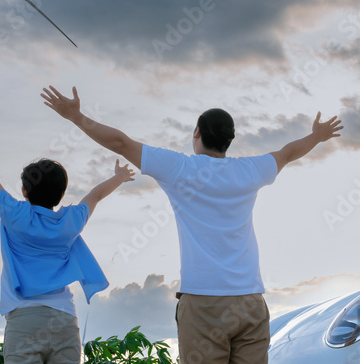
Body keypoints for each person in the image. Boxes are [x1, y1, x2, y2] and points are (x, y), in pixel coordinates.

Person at [40, 85, 343, 364]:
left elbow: (121, 143)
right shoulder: (251, 170)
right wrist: (317, 136)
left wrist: (77, 117)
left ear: (197, 132)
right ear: (229, 140)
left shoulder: (181, 169)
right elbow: (288, 152)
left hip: (204, 304)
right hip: (250, 301)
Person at [0, 118, 133, 364]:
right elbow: (95, 195)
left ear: (24, 190)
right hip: (64, 320)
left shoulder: (15, 214)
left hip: (24, 321)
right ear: (61, 193)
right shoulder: (71, 221)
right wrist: (119, 177)